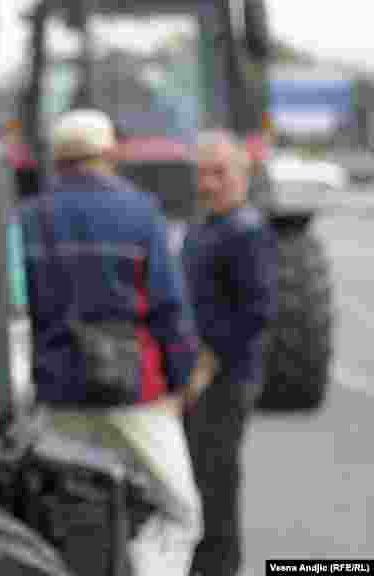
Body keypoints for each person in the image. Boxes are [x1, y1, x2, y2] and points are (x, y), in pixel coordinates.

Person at [17, 108, 204, 576]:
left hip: (57, 392)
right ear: (109, 154)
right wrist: (181, 382)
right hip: (134, 392)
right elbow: (167, 306)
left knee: (65, 510)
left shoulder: (28, 218)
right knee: (179, 512)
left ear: (57, 159)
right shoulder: (141, 213)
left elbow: (18, 310)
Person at [182, 129, 277, 576]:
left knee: (216, 477)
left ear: (243, 175)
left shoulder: (246, 231)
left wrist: (210, 360)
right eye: (202, 174)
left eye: (219, 173)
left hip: (227, 376)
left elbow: (257, 313)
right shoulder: (204, 226)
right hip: (199, 373)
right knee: (198, 474)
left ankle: (219, 567)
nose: (209, 184)